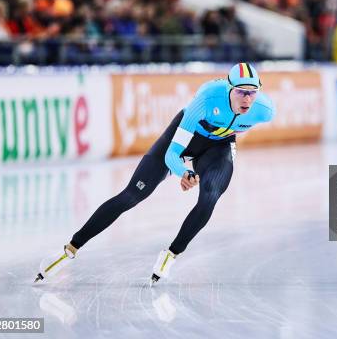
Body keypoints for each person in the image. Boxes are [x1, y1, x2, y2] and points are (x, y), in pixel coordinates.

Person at [35, 62, 275, 285]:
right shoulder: (205, 99)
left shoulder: (264, 110)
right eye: (241, 92)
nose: (247, 98)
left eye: (252, 92)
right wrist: (183, 172)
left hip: (218, 146)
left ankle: (172, 254)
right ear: (228, 88)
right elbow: (172, 154)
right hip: (188, 137)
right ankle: (70, 249)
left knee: (210, 196)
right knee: (132, 195)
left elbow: (243, 117)